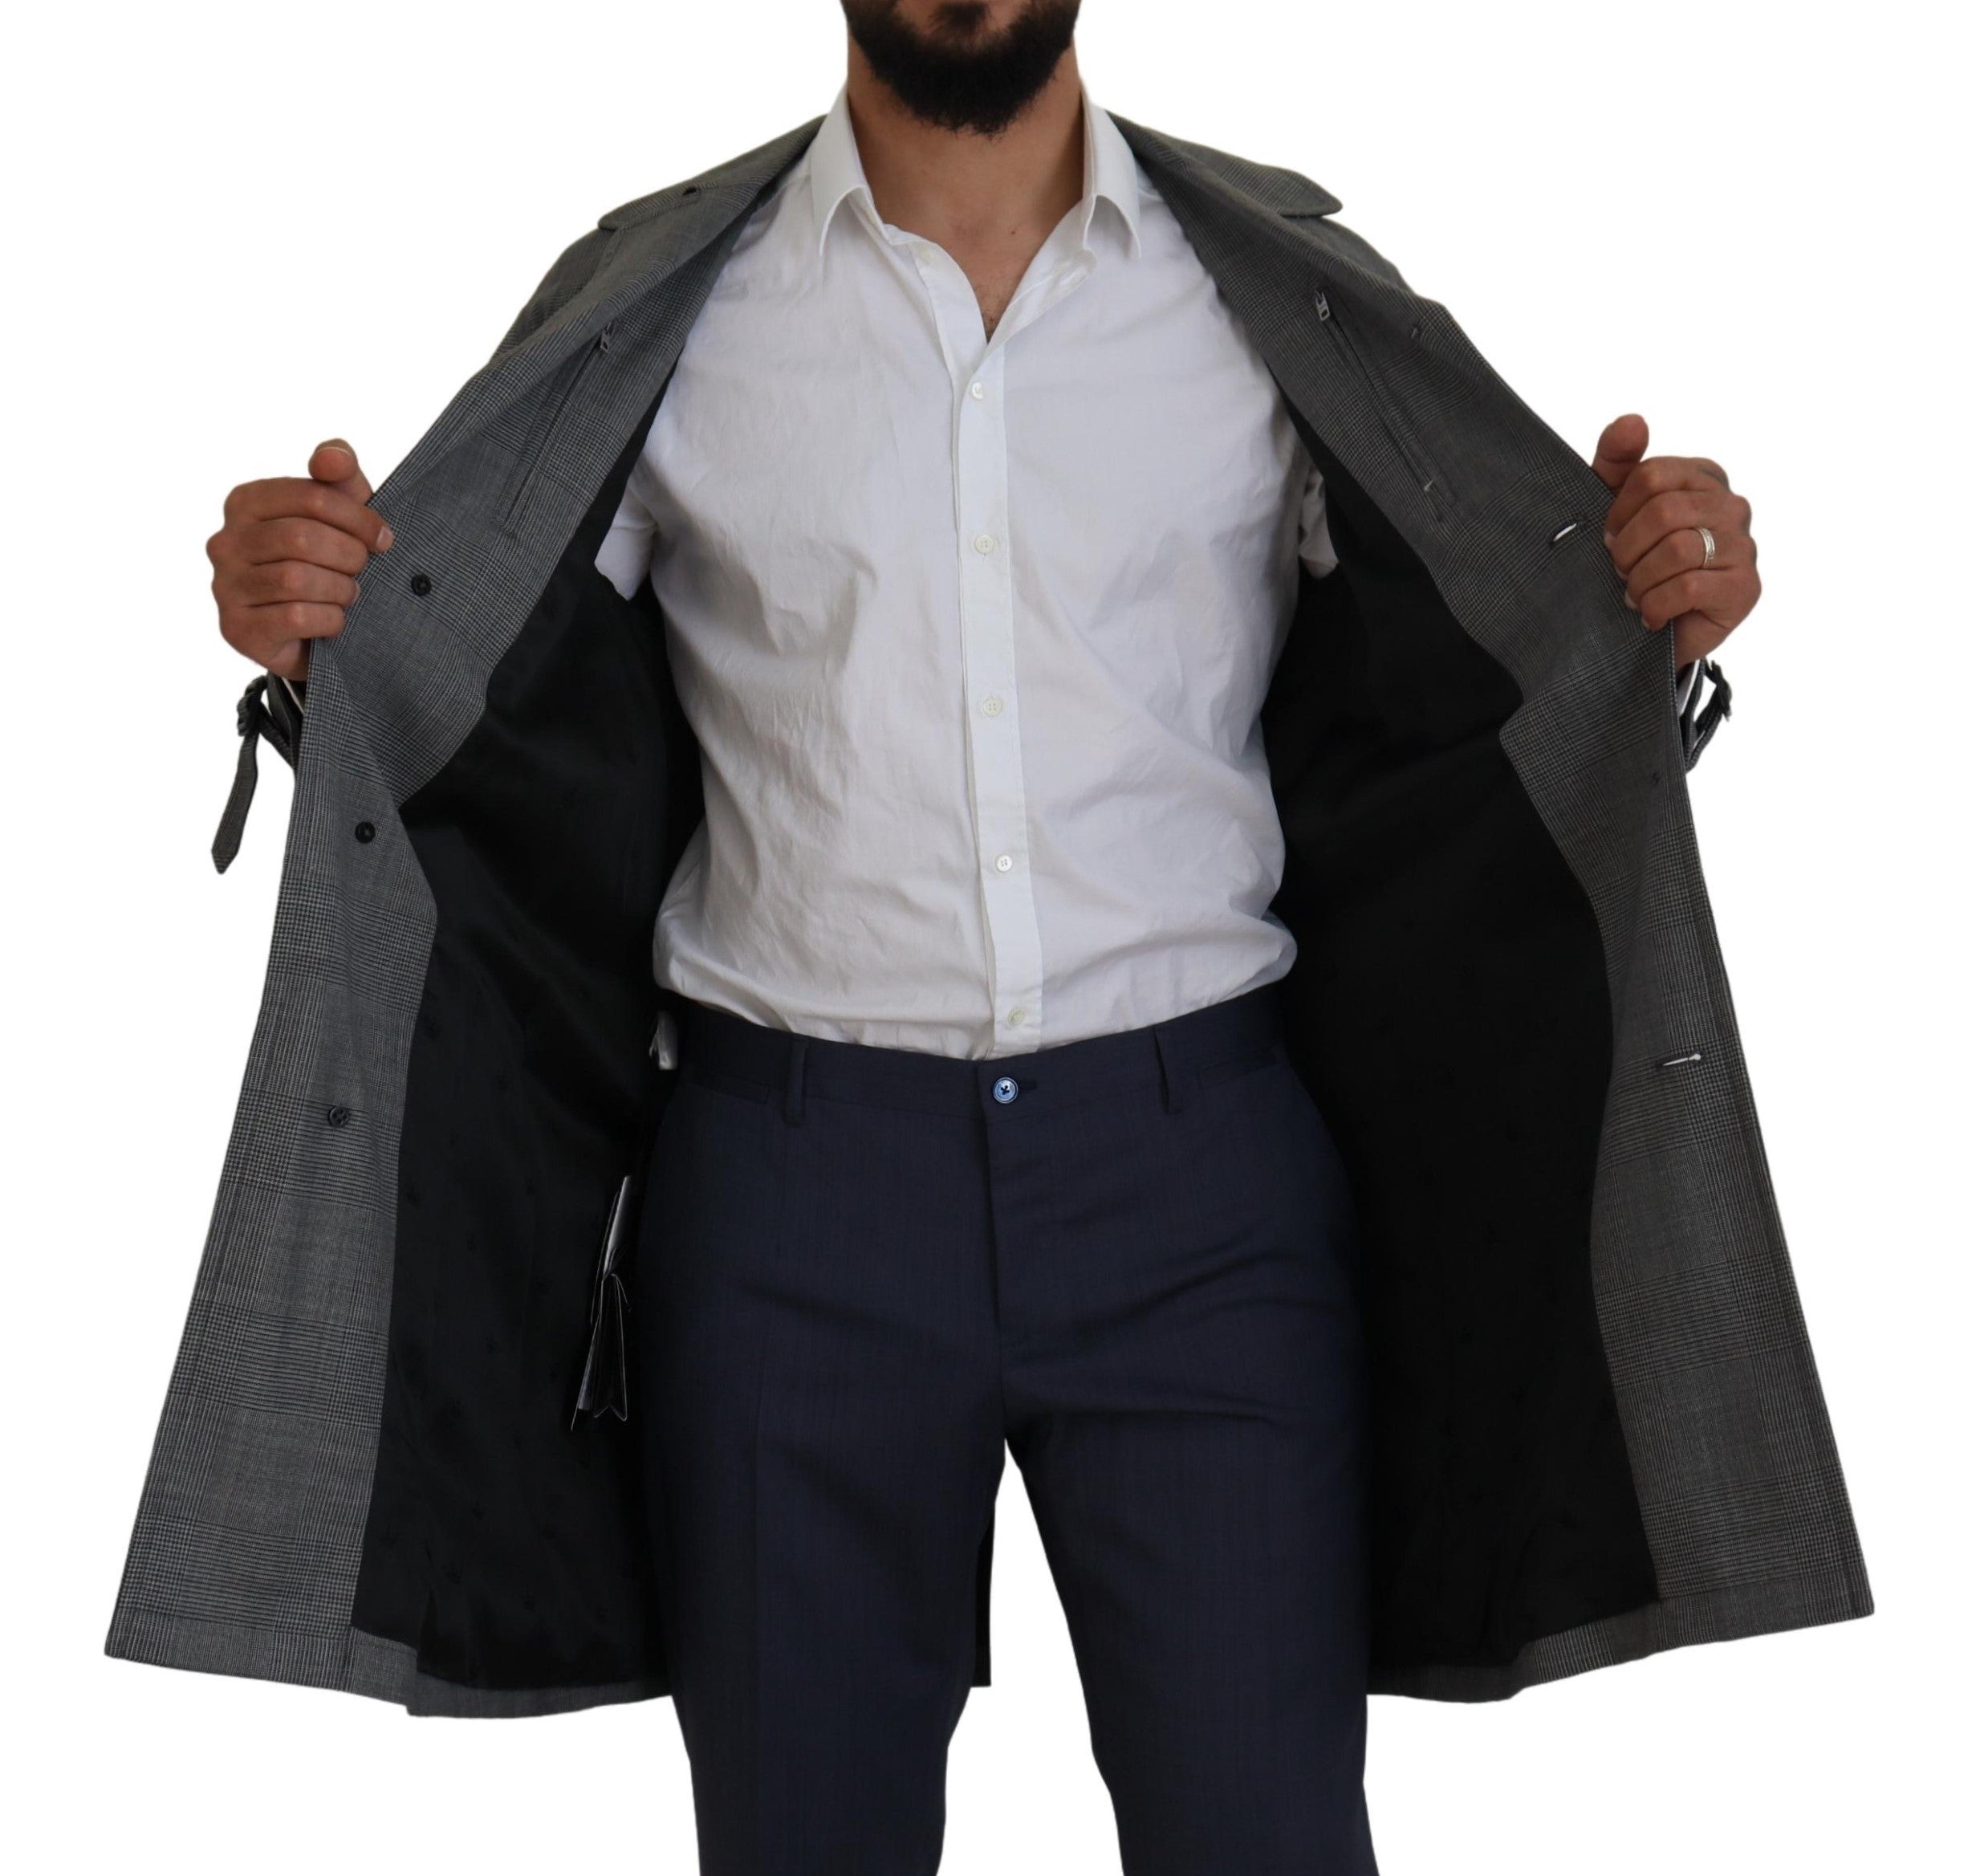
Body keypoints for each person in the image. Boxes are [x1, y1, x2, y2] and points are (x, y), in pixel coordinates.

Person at [110, 6, 1869, 1874]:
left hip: (1203, 1191)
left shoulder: (1277, 297)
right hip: (789, 1203)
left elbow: (1500, 614)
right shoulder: (661, 306)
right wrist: (307, 604)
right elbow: (459, 626)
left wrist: (1656, 581)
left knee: (1266, 1840)